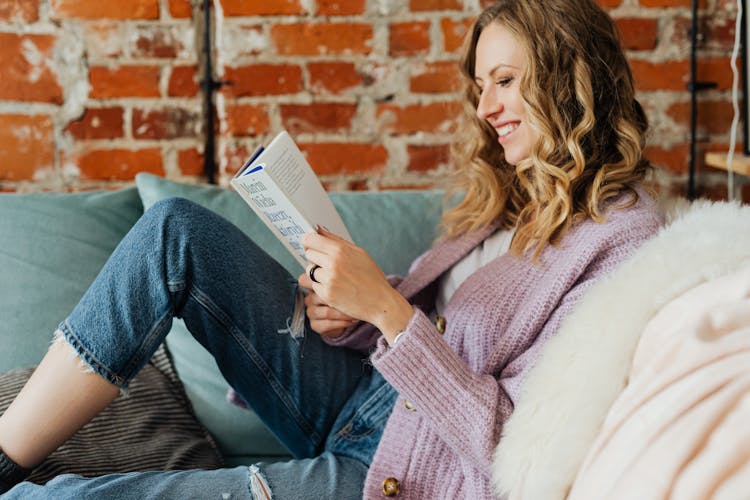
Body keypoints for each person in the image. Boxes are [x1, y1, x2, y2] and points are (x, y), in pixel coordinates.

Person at [0, 0, 663, 497]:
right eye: (481, 85)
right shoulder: (510, 205)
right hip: (356, 393)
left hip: (400, 469)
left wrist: (388, 313)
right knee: (176, 230)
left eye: (506, 80)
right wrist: (350, 315)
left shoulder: (622, 241)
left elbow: (521, 447)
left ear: (570, 79)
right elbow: (445, 331)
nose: (486, 106)